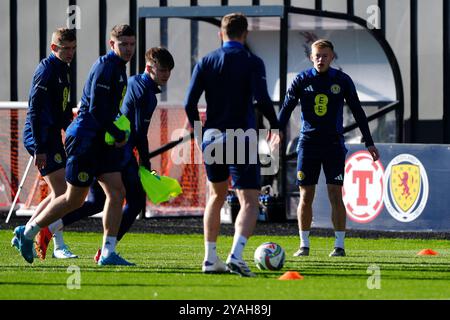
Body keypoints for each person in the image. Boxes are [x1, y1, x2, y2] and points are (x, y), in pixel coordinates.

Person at [34, 47, 175, 263]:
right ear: (149, 67)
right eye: (162, 70)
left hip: (108, 148)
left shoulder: (137, 84)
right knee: (132, 200)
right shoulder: (141, 89)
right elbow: (137, 131)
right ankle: (105, 251)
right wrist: (144, 162)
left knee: (95, 201)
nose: (166, 75)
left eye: (169, 71)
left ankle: (49, 228)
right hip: (115, 152)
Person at [14, 24, 136, 266]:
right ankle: (28, 233)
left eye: (132, 44)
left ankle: (108, 253)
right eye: (124, 44)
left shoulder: (112, 69)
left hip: (93, 138)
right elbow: (91, 109)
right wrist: (40, 145)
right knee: (71, 198)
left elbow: (72, 109)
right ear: (112, 44)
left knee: (116, 191)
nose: (129, 49)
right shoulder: (101, 67)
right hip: (82, 140)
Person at [184, 13, 280, 277]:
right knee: (249, 201)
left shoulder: (206, 61)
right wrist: (276, 124)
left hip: (212, 137)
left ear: (221, 34)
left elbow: (189, 104)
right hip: (241, 136)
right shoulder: (252, 62)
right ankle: (236, 256)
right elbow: (261, 99)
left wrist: (200, 133)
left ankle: (210, 259)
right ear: (245, 34)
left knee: (215, 197)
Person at [277, 39, 380, 257]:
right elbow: (286, 107)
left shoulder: (341, 80)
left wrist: (368, 141)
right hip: (308, 143)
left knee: (335, 193)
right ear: (311, 57)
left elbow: (358, 110)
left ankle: (339, 246)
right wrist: (277, 130)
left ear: (332, 57)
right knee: (306, 194)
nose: (320, 59)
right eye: (317, 55)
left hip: (333, 144)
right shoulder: (302, 79)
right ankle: (304, 245)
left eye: (325, 55)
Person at [11, 28, 78, 260]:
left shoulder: (63, 69)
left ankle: (27, 230)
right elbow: (35, 111)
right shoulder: (46, 70)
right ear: (53, 48)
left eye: (73, 48)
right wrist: (39, 147)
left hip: (50, 138)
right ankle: (54, 243)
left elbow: (63, 107)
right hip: (40, 138)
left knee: (61, 193)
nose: (70, 53)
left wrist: (70, 131)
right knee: (63, 193)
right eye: (65, 48)